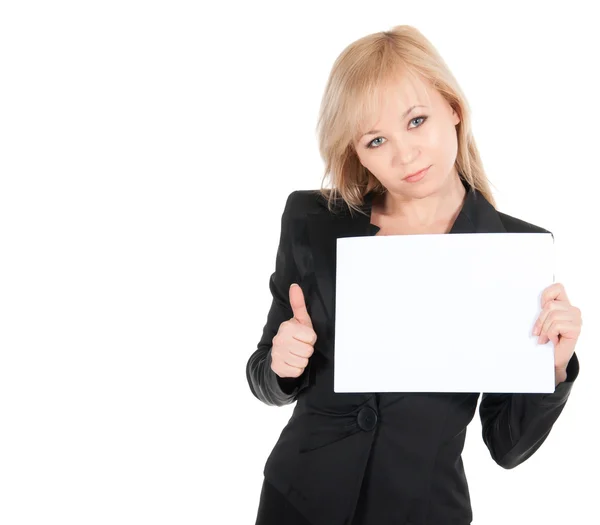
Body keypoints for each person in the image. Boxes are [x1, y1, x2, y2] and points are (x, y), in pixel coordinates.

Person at [246, 25, 582, 525]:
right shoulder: (312, 221)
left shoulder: (513, 251)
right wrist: (280, 364)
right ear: (356, 152)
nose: (404, 155)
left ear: (454, 110)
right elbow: (262, 378)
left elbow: (507, 448)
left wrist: (553, 367)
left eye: (417, 120)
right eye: (376, 139)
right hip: (299, 501)